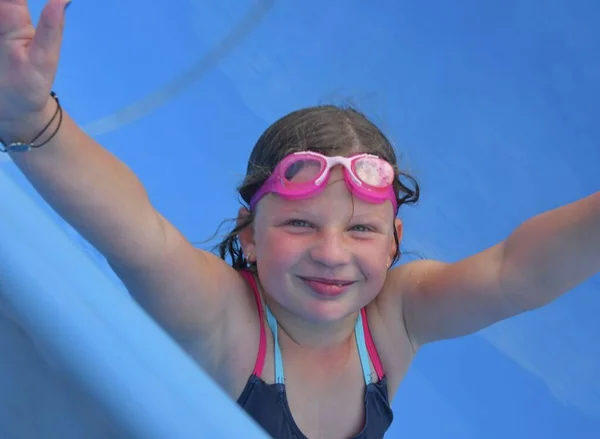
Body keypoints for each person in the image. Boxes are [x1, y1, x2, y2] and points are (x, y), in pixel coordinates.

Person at [1, 1, 598, 438]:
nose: (332, 252)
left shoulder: (396, 316)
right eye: (300, 225)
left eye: (361, 229)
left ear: (395, 242)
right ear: (249, 237)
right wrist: (32, 123)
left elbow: (515, 271)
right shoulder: (221, 316)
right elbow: (140, 236)